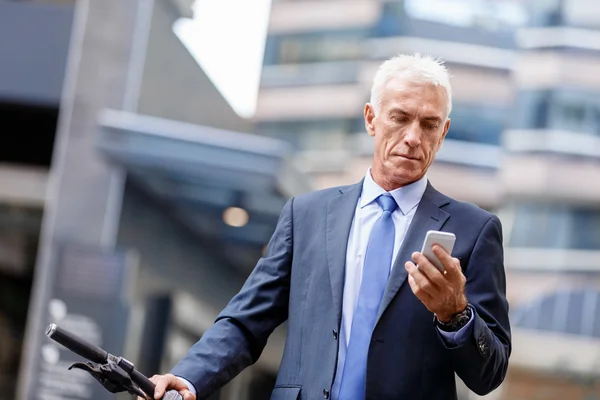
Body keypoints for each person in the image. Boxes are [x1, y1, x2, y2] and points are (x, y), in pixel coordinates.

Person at [147, 54, 511, 400]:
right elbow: (246, 320)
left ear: (443, 132)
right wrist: (189, 376)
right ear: (371, 119)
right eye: (400, 117)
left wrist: (456, 314)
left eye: (429, 124)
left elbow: (489, 373)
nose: (414, 137)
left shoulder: (475, 231)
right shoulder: (305, 215)